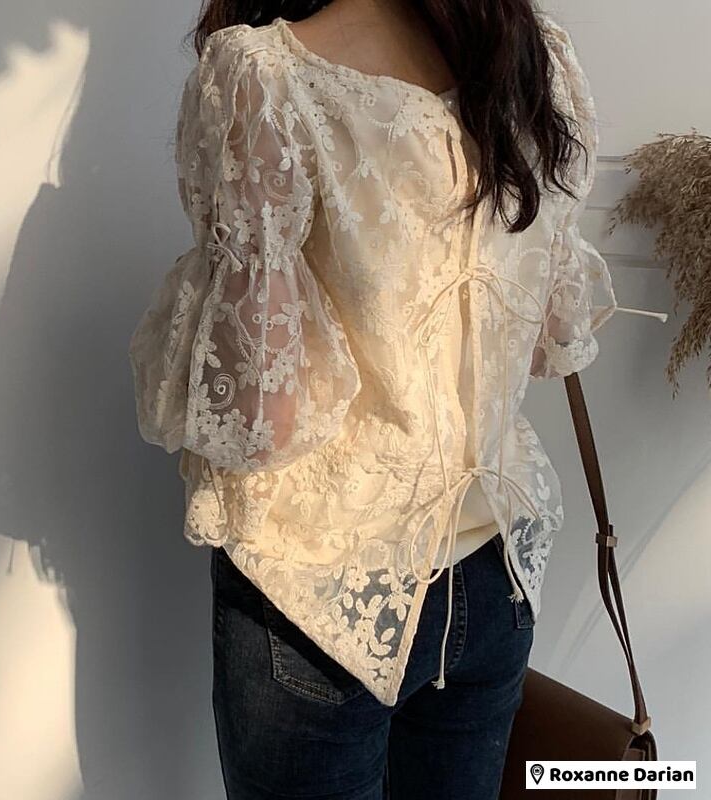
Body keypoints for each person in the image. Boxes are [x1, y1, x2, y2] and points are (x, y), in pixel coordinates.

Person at [128, 1, 640, 796]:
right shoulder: (534, 59)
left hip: (323, 595)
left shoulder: (264, 75)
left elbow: (260, 422)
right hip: (493, 572)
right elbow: (551, 335)